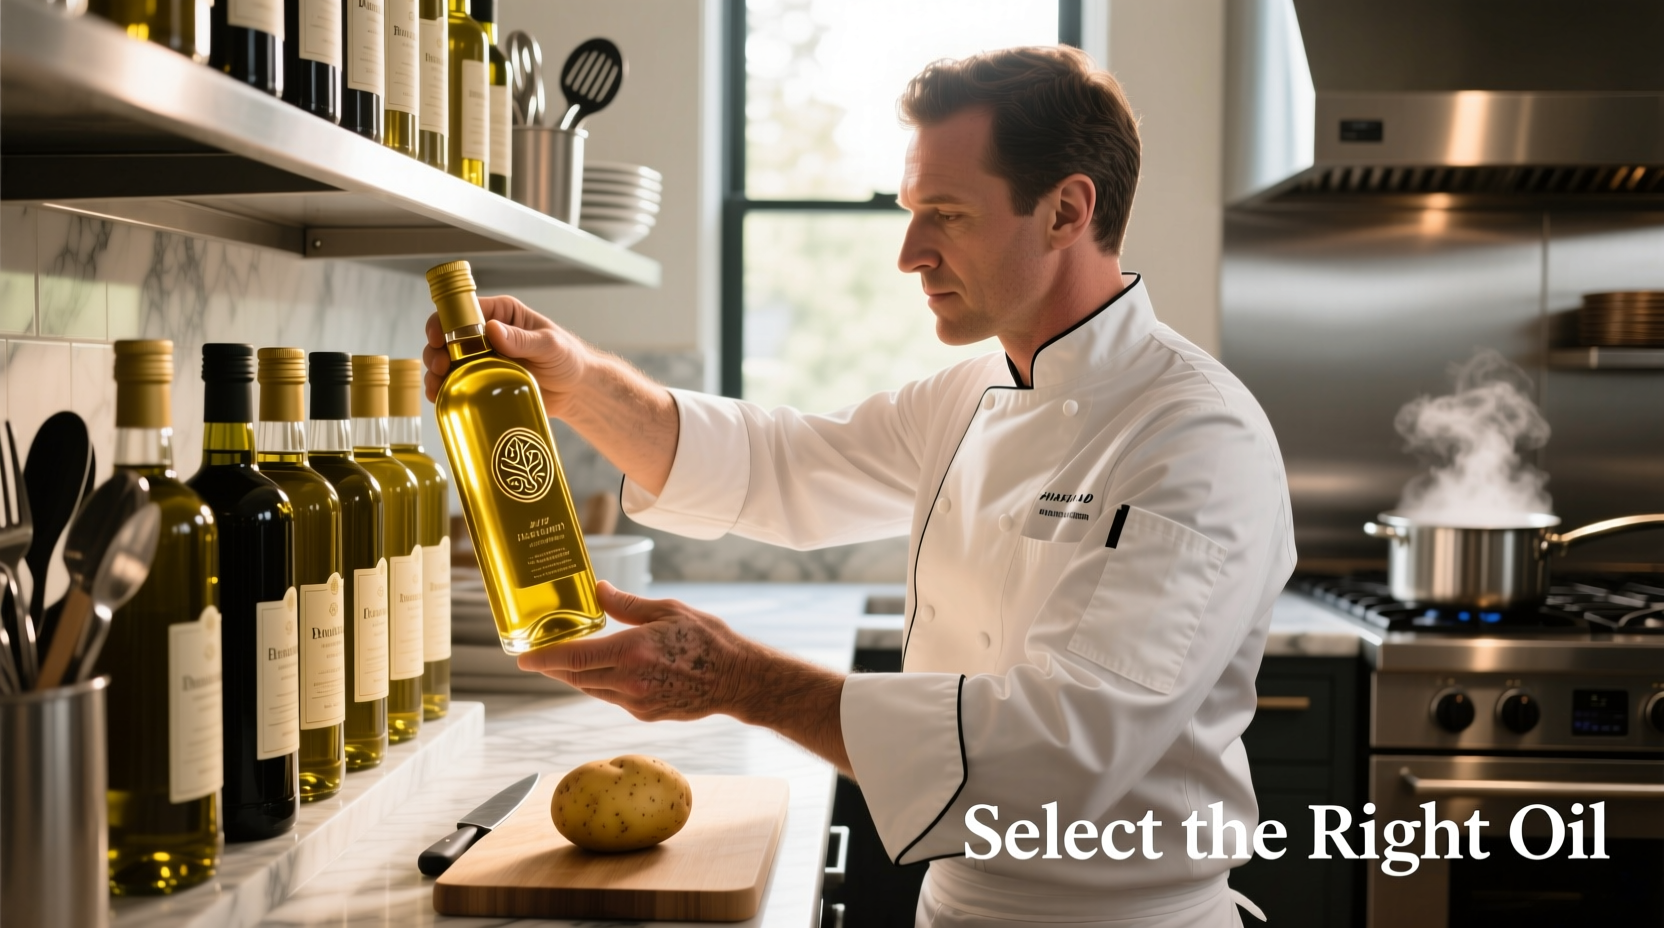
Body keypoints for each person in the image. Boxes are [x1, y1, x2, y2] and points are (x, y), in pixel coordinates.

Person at [424, 45, 1292, 928]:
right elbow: (780, 463)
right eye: (912, 212)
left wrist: (745, 682)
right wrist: (577, 382)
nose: (911, 253)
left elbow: (1063, 752)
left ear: (1067, 210)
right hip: (954, 905)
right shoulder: (965, 395)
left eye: (946, 216)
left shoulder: (1194, 436)